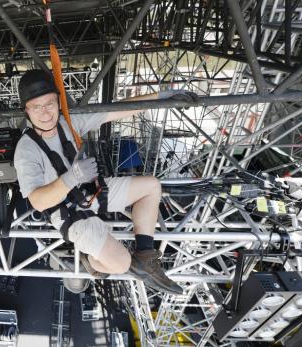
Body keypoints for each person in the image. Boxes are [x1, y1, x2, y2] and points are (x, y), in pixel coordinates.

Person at [14, 69, 196, 295]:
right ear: (27, 111)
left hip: (92, 191)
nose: (45, 113)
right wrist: (70, 178)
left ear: (58, 101)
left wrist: (160, 98)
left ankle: (145, 256)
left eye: (50, 103)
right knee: (120, 264)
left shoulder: (67, 123)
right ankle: (93, 262)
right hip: (68, 212)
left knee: (151, 187)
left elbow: (115, 110)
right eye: (37, 107)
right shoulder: (26, 150)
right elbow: (38, 201)